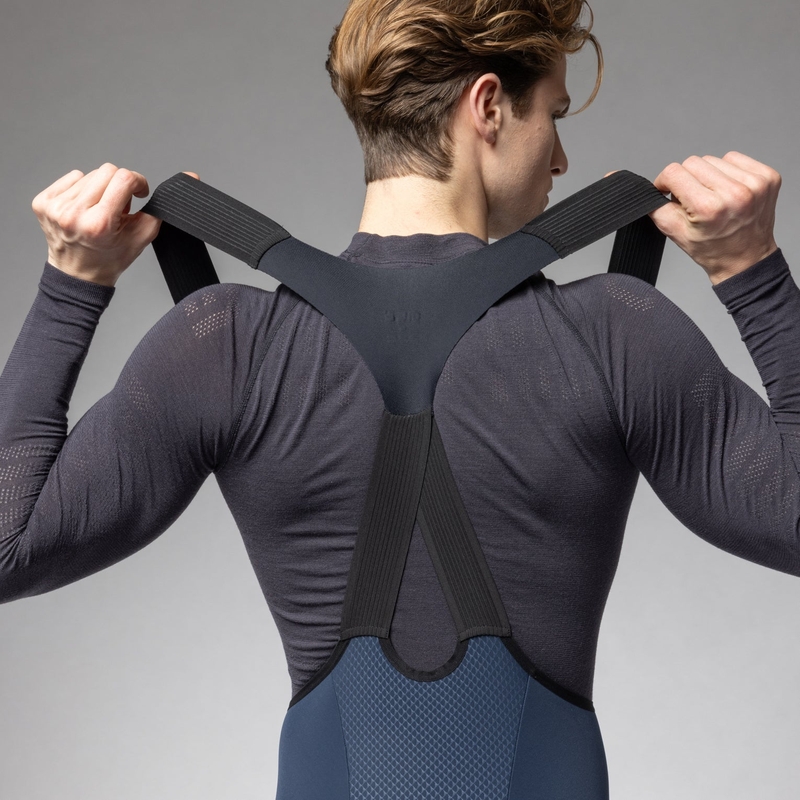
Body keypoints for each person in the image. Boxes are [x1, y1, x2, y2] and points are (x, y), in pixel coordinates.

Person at [1, 0, 796, 796]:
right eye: (552, 117)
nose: (560, 161)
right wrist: (752, 271)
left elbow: (9, 545)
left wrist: (72, 284)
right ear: (488, 105)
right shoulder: (613, 334)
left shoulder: (227, 344)